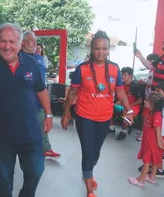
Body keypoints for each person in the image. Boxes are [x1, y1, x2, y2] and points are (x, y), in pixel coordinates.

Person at [0, 22, 52, 197]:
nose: (7, 46)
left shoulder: (31, 64)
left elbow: (41, 90)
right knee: (4, 179)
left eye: (12, 41)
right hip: (2, 137)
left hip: (31, 134)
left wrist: (48, 114)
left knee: (36, 172)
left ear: (20, 43)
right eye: (3, 41)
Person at [61, 30, 133, 197]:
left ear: (108, 49)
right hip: (84, 117)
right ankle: (89, 190)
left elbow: (121, 93)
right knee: (88, 151)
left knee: (96, 153)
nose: (101, 52)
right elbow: (72, 93)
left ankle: (88, 172)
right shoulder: (82, 69)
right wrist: (66, 114)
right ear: (91, 49)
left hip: (105, 118)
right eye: (97, 48)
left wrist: (128, 110)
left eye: (104, 48)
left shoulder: (115, 69)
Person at [21, 31, 60, 160]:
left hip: (39, 101)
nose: (35, 42)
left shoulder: (39, 58)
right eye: (31, 40)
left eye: (35, 40)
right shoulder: (18, 58)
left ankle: (46, 149)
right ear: (23, 42)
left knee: (43, 124)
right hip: (24, 102)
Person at [129, 92, 164, 187]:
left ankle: (140, 180)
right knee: (154, 160)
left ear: (153, 104)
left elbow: (158, 130)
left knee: (146, 162)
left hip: (150, 143)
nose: (145, 101)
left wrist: (159, 142)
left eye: (147, 101)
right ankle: (151, 177)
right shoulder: (153, 113)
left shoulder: (156, 115)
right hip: (149, 141)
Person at [114, 67, 142, 141]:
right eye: (122, 74)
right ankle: (110, 127)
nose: (122, 76)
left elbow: (140, 100)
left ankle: (123, 132)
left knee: (127, 114)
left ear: (131, 76)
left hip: (133, 105)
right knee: (108, 107)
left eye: (125, 75)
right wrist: (117, 101)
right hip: (122, 104)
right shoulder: (120, 85)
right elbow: (117, 97)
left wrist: (128, 106)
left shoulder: (135, 86)